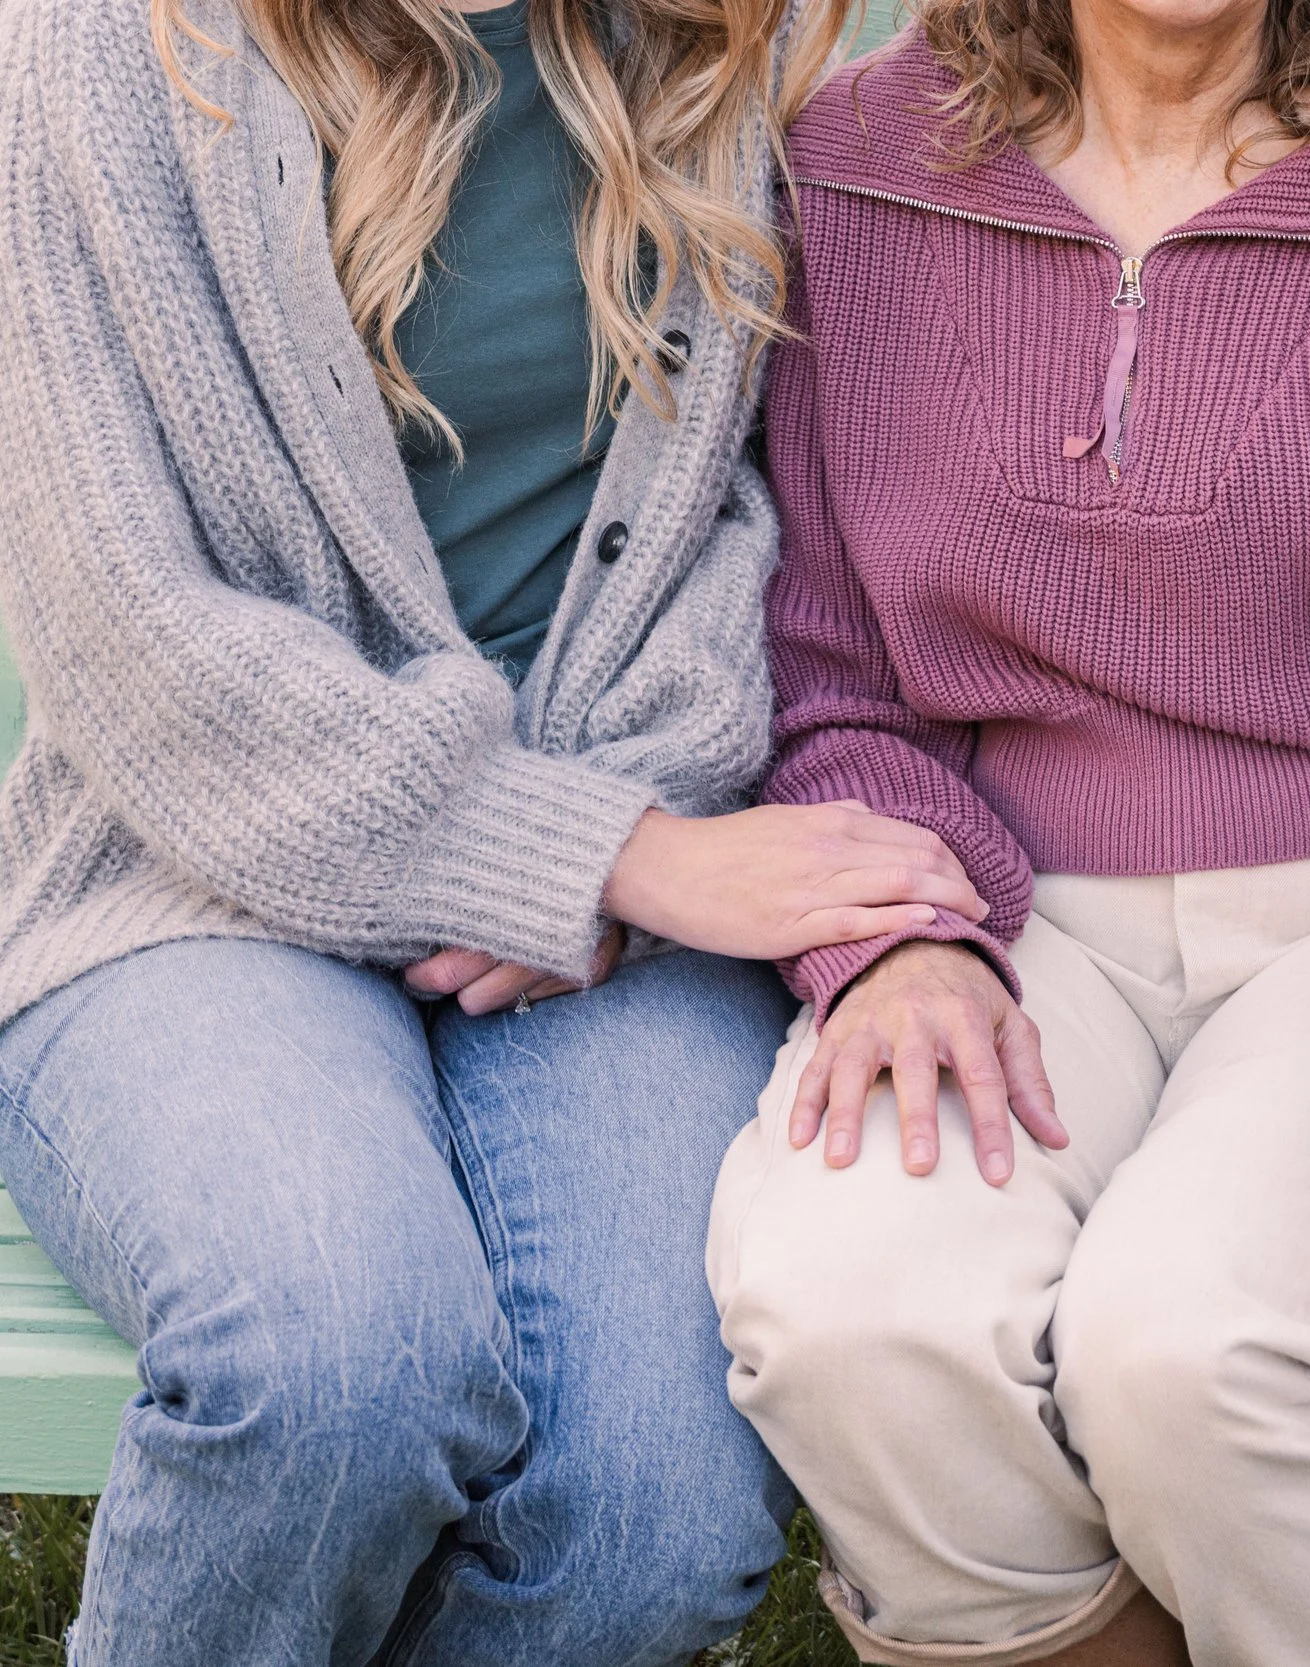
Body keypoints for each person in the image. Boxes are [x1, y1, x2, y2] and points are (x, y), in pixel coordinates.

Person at [0, 0, 983, 1660]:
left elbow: (767, 515)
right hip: (197, 871)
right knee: (333, 1368)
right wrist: (583, 853)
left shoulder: (718, 45)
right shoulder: (109, 44)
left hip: (626, 868)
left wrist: (624, 835)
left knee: (651, 1518)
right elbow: (125, 623)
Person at [698, 0, 1310, 1657]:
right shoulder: (858, 169)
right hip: (992, 905)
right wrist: (895, 934)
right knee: (843, 1306)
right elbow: (820, 666)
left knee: (1191, 1353)